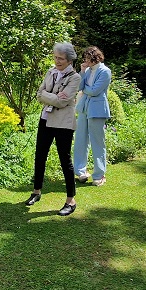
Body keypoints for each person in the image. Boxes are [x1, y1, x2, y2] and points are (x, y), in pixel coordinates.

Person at [26, 43, 82, 215]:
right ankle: (36, 191)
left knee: (65, 159)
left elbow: (61, 101)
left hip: (63, 123)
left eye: (61, 58)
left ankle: (70, 201)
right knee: (39, 155)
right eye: (55, 57)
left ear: (69, 59)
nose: (57, 61)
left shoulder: (75, 78)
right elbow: (39, 94)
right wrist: (51, 97)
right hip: (46, 119)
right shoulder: (51, 72)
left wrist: (47, 96)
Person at [73, 46, 111, 186]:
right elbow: (79, 87)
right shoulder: (87, 70)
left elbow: (95, 91)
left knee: (97, 142)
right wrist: (82, 72)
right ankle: (81, 172)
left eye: (87, 58)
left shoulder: (105, 71)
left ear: (94, 58)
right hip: (84, 108)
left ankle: (99, 175)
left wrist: (84, 89)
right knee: (80, 140)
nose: (85, 61)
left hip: (97, 110)